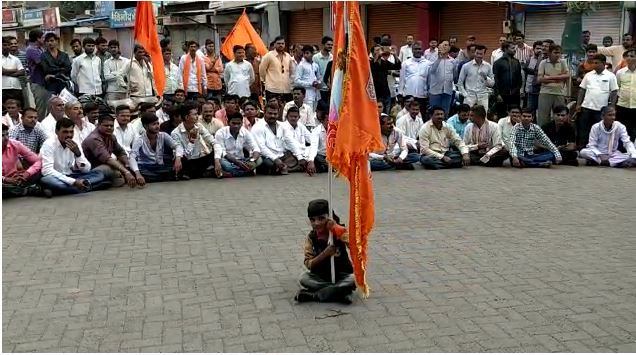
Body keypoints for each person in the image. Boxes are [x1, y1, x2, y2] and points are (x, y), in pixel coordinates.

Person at [295, 199, 356, 304]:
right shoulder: (311, 238)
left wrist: (336, 229)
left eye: (321, 218)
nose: (316, 223)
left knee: (354, 279)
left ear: (330, 218)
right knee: (303, 278)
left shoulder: (340, 231)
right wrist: (325, 254)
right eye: (312, 220)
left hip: (342, 274)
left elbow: (355, 247)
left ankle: (314, 295)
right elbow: (309, 264)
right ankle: (341, 292)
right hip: (321, 277)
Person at [39, 118, 107, 197]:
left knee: (99, 174)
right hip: (57, 177)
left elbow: (86, 169)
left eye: (71, 132)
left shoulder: (74, 143)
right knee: (46, 180)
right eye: (65, 132)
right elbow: (47, 171)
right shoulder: (49, 144)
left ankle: (58, 190)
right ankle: (91, 187)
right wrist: (73, 182)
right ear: (57, 132)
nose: (69, 135)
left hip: (72, 175)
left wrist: (78, 155)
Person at [575, 53, 619, 149]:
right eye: (593, 63)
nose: (594, 65)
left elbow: (614, 92)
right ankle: (582, 149)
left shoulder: (610, 76)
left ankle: (597, 149)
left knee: (599, 130)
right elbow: (582, 90)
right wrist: (578, 104)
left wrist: (612, 107)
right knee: (583, 130)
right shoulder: (588, 75)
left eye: (596, 63)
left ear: (603, 63)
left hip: (601, 109)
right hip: (586, 107)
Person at [82, 115, 137, 188]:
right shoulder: (94, 138)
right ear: (98, 125)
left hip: (105, 166)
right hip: (91, 169)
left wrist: (127, 165)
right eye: (106, 125)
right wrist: (126, 172)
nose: (109, 128)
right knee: (112, 170)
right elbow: (107, 159)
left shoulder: (111, 136)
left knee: (130, 167)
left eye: (111, 126)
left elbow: (120, 152)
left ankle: (105, 182)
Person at [252, 102, 307, 175]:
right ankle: (282, 168)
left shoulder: (281, 126)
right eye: (270, 113)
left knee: (302, 159)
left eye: (275, 114)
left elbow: (290, 141)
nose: (272, 116)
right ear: (265, 112)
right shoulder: (258, 127)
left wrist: (300, 157)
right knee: (268, 164)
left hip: (282, 155)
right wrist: (275, 159)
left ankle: (283, 168)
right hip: (267, 157)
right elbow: (262, 148)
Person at [128, 112, 183, 183]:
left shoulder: (163, 135)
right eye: (154, 124)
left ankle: (157, 177)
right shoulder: (139, 139)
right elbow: (132, 157)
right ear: (145, 126)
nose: (157, 126)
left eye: (158, 123)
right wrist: (138, 174)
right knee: (137, 170)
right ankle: (163, 177)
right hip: (145, 167)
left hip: (160, 166)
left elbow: (177, 146)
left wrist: (178, 159)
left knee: (179, 166)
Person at [170, 102, 216, 179]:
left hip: (198, 159)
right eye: (194, 114)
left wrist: (217, 161)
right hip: (186, 160)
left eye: (197, 114)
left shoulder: (199, 126)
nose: (197, 116)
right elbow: (182, 153)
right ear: (187, 117)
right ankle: (195, 173)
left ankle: (195, 173)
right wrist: (191, 141)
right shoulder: (175, 133)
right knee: (179, 157)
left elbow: (212, 140)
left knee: (215, 150)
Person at [212, 112, 262, 178]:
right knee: (224, 165)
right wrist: (237, 162)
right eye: (234, 123)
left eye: (239, 123)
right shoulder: (221, 133)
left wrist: (253, 159)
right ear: (228, 122)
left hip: (242, 160)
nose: (236, 126)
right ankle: (246, 172)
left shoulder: (245, 132)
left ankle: (232, 173)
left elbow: (255, 147)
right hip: (227, 160)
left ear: (242, 123)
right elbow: (222, 152)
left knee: (259, 160)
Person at [2, 123, 42, 197]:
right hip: (3, 181)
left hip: (16, 177)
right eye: (2, 135)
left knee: (40, 172)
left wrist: (26, 174)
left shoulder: (15, 144)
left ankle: (20, 189)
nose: (6, 138)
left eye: (7, 134)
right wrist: (5, 179)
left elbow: (38, 161)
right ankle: (28, 189)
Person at [537, 44, 570, 127]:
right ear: (549, 53)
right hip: (545, 93)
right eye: (555, 52)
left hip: (559, 93)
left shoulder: (563, 62)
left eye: (559, 53)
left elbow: (567, 76)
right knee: (543, 117)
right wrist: (559, 78)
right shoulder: (543, 63)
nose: (558, 55)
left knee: (560, 117)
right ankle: (542, 136)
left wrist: (549, 77)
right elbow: (540, 79)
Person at [457, 44, 494, 111]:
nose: (479, 56)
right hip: (470, 95)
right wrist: (465, 95)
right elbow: (460, 83)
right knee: (467, 116)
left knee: (483, 117)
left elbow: (492, 84)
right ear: (474, 53)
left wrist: (486, 78)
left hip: (483, 95)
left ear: (484, 54)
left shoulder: (488, 66)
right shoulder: (466, 66)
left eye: (481, 54)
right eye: (477, 53)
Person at [259, 36, 294, 102]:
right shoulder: (268, 56)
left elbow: (291, 71)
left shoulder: (288, 56)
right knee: (272, 109)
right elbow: (262, 70)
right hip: (272, 89)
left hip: (286, 89)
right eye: (278, 43)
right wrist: (266, 80)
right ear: (274, 44)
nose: (281, 45)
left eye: (282, 43)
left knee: (285, 109)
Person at [493, 41, 522, 119]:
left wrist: (517, 89)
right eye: (512, 48)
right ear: (505, 49)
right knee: (502, 115)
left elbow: (519, 78)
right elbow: (495, 80)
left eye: (515, 48)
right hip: (502, 94)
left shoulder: (516, 62)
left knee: (515, 115)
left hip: (515, 94)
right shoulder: (498, 63)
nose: (515, 50)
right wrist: (497, 94)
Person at [399, 41, 430, 112]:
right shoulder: (406, 63)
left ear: (422, 50)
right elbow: (402, 79)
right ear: (412, 50)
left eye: (419, 49)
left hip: (422, 95)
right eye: (415, 49)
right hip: (409, 94)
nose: (417, 51)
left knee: (421, 116)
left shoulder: (428, 63)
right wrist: (400, 93)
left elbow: (429, 80)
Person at [370, 44, 401, 114]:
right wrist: (377, 58)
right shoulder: (370, 62)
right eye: (377, 50)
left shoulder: (384, 63)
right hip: (375, 93)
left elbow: (398, 66)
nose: (379, 52)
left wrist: (395, 55)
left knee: (386, 114)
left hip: (386, 92)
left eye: (380, 50)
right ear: (372, 53)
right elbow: (372, 69)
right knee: (375, 113)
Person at [26, 30, 48, 120]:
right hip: (37, 82)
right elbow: (42, 63)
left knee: (48, 107)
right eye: (43, 38)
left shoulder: (40, 49)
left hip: (44, 82)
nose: (44, 40)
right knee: (41, 109)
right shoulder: (31, 49)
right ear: (38, 39)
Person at [615, 49, 636, 140]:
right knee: (622, 130)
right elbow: (617, 87)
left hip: (635, 106)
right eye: (627, 56)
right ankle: (621, 151)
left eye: (632, 56)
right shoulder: (620, 72)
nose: (629, 58)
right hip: (622, 105)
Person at [103, 40, 131, 107]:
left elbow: (127, 75)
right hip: (112, 91)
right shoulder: (106, 62)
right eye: (111, 47)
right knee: (113, 111)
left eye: (115, 47)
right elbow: (106, 77)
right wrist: (120, 74)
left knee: (125, 109)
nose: (113, 49)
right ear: (109, 49)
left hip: (124, 90)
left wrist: (113, 73)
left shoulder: (126, 61)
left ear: (118, 48)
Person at [294, 45, 322, 110]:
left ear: (312, 54)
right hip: (307, 94)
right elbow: (297, 81)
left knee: (313, 114)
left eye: (307, 53)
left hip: (316, 94)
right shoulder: (301, 65)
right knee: (307, 113)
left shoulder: (315, 65)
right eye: (304, 53)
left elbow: (319, 77)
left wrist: (319, 83)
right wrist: (310, 84)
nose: (305, 55)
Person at [306, 102, 329, 175]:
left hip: (334, 156)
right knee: (315, 157)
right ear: (322, 121)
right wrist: (311, 161)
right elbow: (314, 146)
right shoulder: (316, 130)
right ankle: (329, 167)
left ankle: (327, 167)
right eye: (328, 120)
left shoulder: (336, 129)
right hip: (322, 156)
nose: (330, 122)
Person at [2, 36, 25, 107]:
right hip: (3, 88)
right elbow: (2, 71)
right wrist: (15, 70)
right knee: (4, 110)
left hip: (16, 88)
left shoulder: (15, 59)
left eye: (8, 45)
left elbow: (22, 71)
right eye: (4, 45)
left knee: (19, 109)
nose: (7, 47)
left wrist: (6, 73)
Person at [523, 41, 544, 114]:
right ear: (533, 49)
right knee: (530, 110)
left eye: (541, 49)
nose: (539, 50)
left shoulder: (544, 61)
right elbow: (525, 74)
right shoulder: (529, 60)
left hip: (541, 90)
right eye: (537, 48)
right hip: (530, 89)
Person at [313, 36, 333, 102]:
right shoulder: (316, 57)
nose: (330, 46)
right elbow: (313, 74)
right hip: (319, 89)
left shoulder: (332, 57)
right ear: (323, 45)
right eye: (328, 44)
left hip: (330, 88)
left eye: (331, 45)